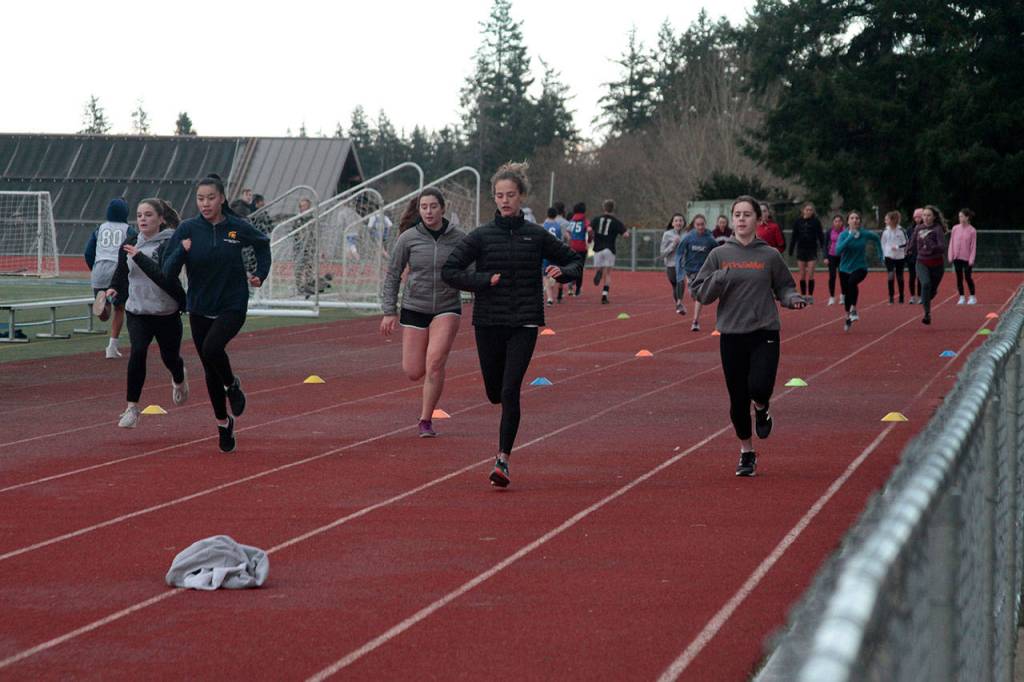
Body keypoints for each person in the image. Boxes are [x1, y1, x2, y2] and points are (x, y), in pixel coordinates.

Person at [442, 162, 581, 488]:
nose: (505, 200)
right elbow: (450, 270)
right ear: (494, 197)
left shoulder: (536, 236)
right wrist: (482, 280)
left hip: (524, 321)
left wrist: (565, 273)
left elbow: (575, 258)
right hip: (489, 321)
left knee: (510, 390)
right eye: (499, 195)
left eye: (511, 195)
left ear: (521, 197)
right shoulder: (480, 236)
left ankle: (502, 459)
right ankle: (503, 430)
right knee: (494, 392)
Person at [692, 196, 806, 477]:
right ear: (732, 220)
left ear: (757, 219)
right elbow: (700, 292)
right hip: (731, 334)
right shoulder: (719, 254)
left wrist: (793, 300)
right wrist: (718, 278)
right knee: (737, 399)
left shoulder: (769, 255)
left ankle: (763, 408)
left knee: (759, 387)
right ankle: (747, 452)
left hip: (765, 331)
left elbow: (785, 287)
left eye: (747, 214)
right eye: (737, 215)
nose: (741, 219)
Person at [162, 174, 271, 452]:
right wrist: (181, 252)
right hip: (199, 306)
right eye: (200, 199)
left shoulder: (236, 227)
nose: (205, 203)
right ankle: (223, 424)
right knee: (210, 369)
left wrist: (260, 273)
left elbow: (262, 244)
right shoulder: (187, 229)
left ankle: (232, 385)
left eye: (211, 198)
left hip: (232, 304)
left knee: (212, 349)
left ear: (222, 198)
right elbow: (167, 271)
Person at [380, 188, 466, 438]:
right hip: (414, 306)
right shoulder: (408, 238)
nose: (429, 211)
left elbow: (472, 269)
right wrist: (389, 311)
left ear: (443, 208)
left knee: (435, 363)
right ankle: (428, 385)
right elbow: (393, 274)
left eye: (433, 206)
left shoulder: (459, 238)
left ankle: (425, 420)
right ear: (419, 210)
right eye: (424, 207)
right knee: (413, 371)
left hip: (447, 306)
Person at [106, 199, 188, 428]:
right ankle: (132, 408)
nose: (142, 219)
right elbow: (122, 271)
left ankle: (179, 378)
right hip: (138, 311)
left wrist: (139, 257)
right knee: (137, 353)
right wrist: (114, 287)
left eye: (148, 215)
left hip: (166, 312)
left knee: (169, 358)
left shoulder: (170, 243)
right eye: (140, 215)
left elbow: (164, 277)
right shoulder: (132, 241)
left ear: (161, 219)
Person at [85, 197, 136, 358]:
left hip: (99, 269)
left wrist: (93, 268)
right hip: (116, 269)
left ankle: (103, 305)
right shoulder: (128, 230)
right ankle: (112, 347)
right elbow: (133, 249)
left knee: (105, 316)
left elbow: (88, 252)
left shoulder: (99, 229)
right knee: (120, 308)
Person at [835, 210, 883, 331]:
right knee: (846, 292)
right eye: (852, 218)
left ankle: (854, 309)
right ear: (848, 221)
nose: (855, 220)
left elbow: (877, 239)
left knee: (852, 283)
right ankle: (847, 316)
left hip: (860, 267)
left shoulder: (864, 234)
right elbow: (838, 251)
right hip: (844, 268)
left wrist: (881, 254)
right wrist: (850, 237)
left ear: (860, 221)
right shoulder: (843, 235)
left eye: (857, 218)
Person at [676, 214, 719, 332]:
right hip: (690, 271)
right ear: (694, 225)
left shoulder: (710, 239)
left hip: (703, 271)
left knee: (699, 295)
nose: (700, 227)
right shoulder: (688, 237)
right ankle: (695, 300)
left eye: (702, 225)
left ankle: (695, 321)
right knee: (694, 294)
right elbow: (679, 252)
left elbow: (717, 252)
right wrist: (679, 267)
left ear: (705, 224)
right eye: (698, 225)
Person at [909, 205, 948, 325]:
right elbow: (912, 242)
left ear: (934, 217)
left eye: (928, 215)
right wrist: (908, 250)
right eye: (924, 215)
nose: (925, 218)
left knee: (931, 290)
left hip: (937, 264)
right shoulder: (918, 228)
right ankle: (927, 314)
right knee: (925, 284)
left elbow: (942, 247)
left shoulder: (937, 229)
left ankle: (930, 295)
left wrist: (931, 244)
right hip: (922, 262)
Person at [590, 199, 629, 304]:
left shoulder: (597, 219)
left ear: (604, 208)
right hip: (609, 249)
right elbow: (626, 234)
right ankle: (604, 295)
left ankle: (599, 271)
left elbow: (589, 228)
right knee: (608, 273)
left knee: (599, 269)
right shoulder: (616, 222)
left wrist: (592, 236)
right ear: (613, 209)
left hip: (597, 248)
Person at [788, 202, 825, 303]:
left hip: (812, 250)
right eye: (807, 210)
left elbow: (821, 236)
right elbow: (794, 236)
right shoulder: (798, 222)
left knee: (811, 274)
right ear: (803, 210)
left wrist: (823, 248)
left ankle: (810, 296)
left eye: (811, 210)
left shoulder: (816, 222)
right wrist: (791, 249)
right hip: (801, 250)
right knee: (802, 275)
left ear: (813, 212)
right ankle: (803, 295)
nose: (809, 211)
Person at [948, 208, 978, 305]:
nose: (960, 218)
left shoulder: (972, 231)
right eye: (959, 216)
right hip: (957, 257)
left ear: (967, 217)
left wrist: (971, 259)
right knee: (959, 277)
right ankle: (961, 296)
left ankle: (972, 296)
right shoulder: (955, 228)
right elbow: (951, 242)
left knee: (968, 277)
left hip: (967, 258)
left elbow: (973, 246)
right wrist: (950, 255)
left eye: (961, 216)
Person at [880, 210, 908, 304]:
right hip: (889, 256)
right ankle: (891, 297)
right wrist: (884, 254)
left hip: (900, 256)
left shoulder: (901, 231)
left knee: (900, 277)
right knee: (891, 275)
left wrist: (898, 247)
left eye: (887, 219)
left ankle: (901, 296)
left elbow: (906, 243)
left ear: (892, 220)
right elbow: (883, 243)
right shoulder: (885, 231)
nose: (885, 221)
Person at [660, 213, 685, 313]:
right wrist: (673, 245)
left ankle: (679, 303)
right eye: (676, 221)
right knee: (675, 285)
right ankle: (678, 304)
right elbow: (662, 253)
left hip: (682, 264)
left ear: (683, 223)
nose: (679, 222)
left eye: (681, 220)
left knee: (681, 282)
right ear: (672, 223)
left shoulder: (686, 234)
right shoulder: (667, 234)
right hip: (670, 264)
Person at [565, 202, 591, 297]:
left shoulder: (572, 220)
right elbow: (589, 230)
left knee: (572, 265)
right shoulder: (584, 220)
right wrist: (589, 240)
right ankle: (578, 289)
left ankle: (571, 283)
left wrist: (571, 240)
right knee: (580, 268)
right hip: (582, 247)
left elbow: (567, 233)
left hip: (573, 247)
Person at [542, 208, 564, 305]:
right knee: (554, 272)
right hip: (556, 252)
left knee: (545, 276)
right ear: (556, 215)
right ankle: (553, 282)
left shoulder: (543, 226)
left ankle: (550, 298)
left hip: (546, 252)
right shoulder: (558, 227)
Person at [551, 201, 572, 302]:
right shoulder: (566, 223)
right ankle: (559, 293)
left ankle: (549, 294)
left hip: (550, 248)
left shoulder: (550, 221)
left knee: (548, 271)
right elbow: (568, 237)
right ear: (563, 210)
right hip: (561, 248)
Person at [825, 214, 845, 306]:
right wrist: (825, 257)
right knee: (832, 276)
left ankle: (842, 296)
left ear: (842, 222)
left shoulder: (845, 231)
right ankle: (832, 297)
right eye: (836, 221)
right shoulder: (829, 231)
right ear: (833, 222)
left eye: (839, 221)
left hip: (842, 256)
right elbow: (825, 245)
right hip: (832, 256)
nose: (837, 223)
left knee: (843, 276)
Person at [906, 207, 924, 303]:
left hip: (922, 255)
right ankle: (912, 296)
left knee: (920, 276)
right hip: (911, 256)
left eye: (920, 217)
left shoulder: (926, 228)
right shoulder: (910, 229)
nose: (918, 219)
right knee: (912, 276)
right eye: (916, 217)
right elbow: (907, 241)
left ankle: (921, 296)